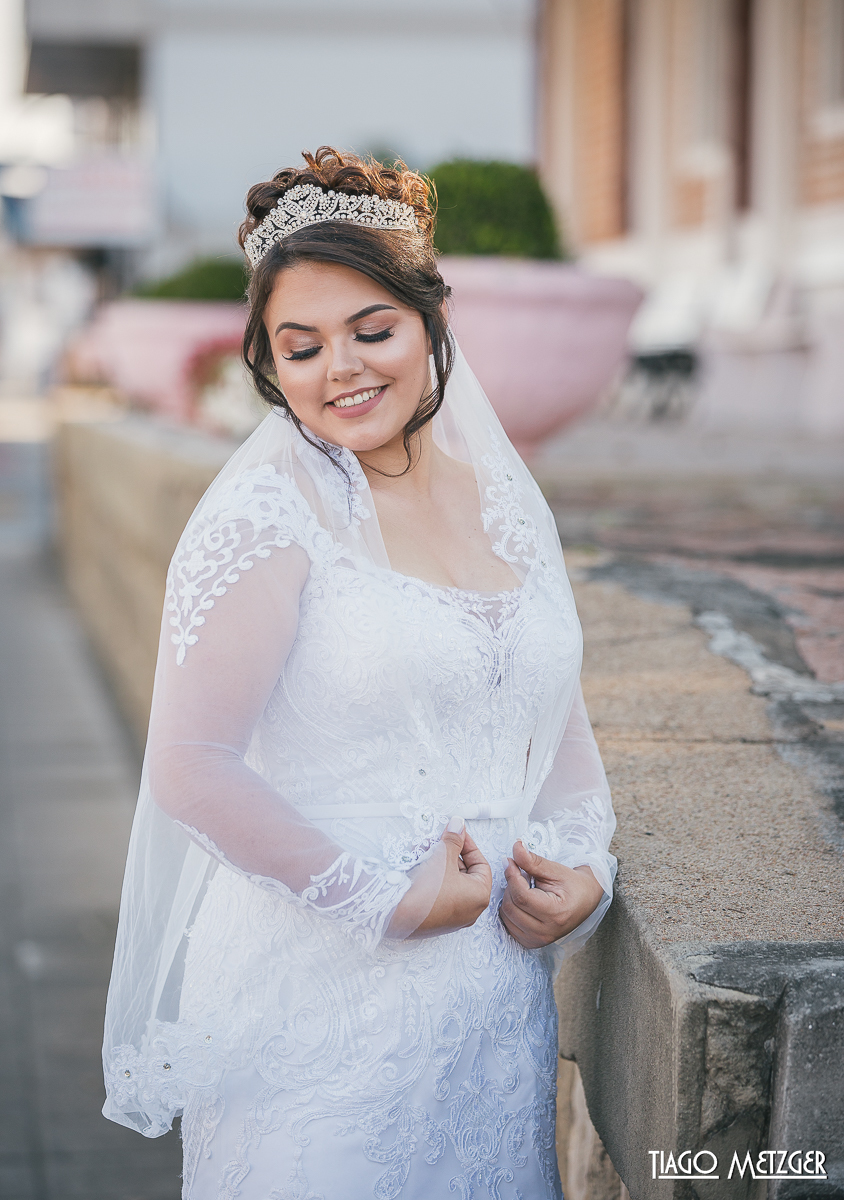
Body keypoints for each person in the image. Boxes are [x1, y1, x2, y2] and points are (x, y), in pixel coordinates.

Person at [102, 147, 617, 1200]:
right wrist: (383, 902)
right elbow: (192, 767)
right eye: (300, 348)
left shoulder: (508, 505)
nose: (340, 370)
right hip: (320, 1010)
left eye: (370, 331)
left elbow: (551, 722)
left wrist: (589, 873)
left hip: (486, 1014)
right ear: (267, 364)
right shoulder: (266, 514)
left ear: (430, 323)